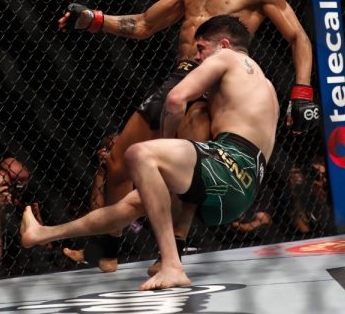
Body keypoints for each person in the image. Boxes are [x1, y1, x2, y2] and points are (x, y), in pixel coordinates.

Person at [58, 0, 318, 271]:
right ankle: (105, 249)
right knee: (118, 160)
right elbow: (145, 24)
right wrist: (96, 20)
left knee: (188, 169)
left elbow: (298, 37)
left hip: (216, 85)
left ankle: (173, 253)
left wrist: (302, 92)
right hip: (178, 79)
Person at [22, 15, 279, 290]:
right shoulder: (266, 87)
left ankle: (172, 266)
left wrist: (165, 144)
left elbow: (175, 98)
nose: (197, 57)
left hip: (228, 165)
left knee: (141, 154)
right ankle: (42, 234)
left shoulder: (226, 58)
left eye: (202, 48)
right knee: (132, 204)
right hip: (242, 187)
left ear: (224, 44)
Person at [0, 156, 49, 270]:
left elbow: (45, 248)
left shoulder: (19, 209)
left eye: (6, 186)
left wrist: (36, 217)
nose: (3, 192)